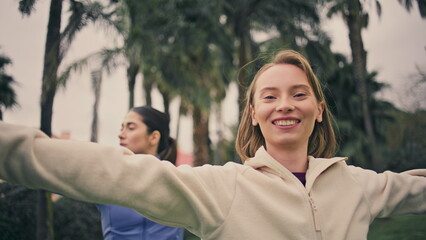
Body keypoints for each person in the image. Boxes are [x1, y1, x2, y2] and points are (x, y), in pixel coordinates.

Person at [0, 50, 425, 240]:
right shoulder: (225, 188)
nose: (285, 105)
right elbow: (113, 172)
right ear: (254, 114)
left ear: (318, 108)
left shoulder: (356, 184)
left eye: (299, 93)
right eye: (269, 96)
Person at [96, 106, 184, 240]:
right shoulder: (108, 179)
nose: (120, 134)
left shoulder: (178, 181)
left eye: (130, 128)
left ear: (154, 137)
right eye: (122, 128)